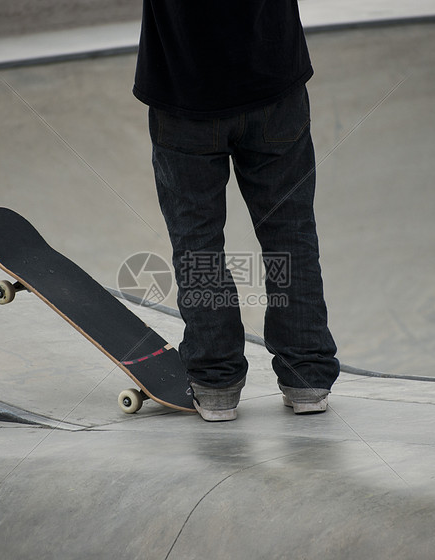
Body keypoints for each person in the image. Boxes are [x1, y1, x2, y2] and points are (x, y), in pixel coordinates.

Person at [133, 0, 340, 421]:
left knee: (198, 243)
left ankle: (215, 384)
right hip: (274, 84)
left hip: (184, 95)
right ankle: (307, 379)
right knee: (290, 231)